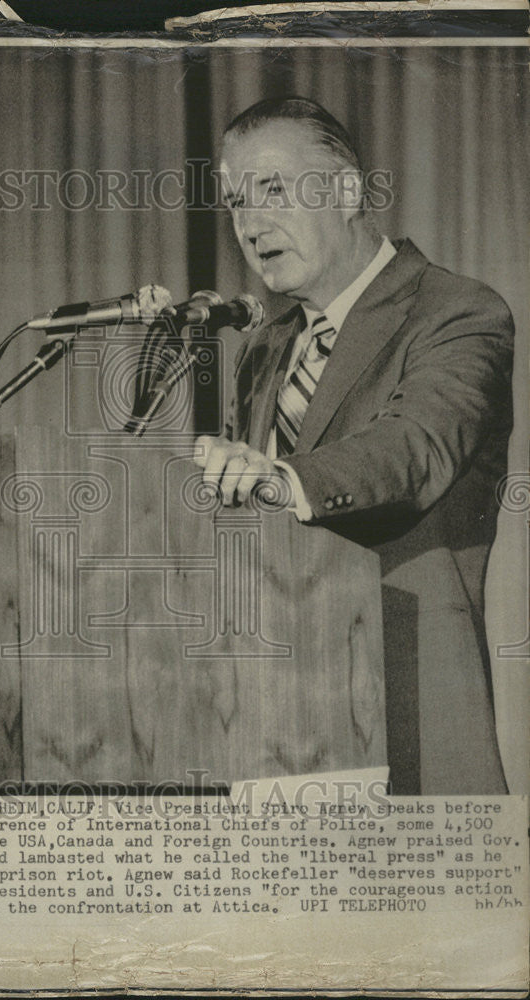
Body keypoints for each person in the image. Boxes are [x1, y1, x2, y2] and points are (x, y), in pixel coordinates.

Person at [194, 97, 514, 795]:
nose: (248, 226)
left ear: (345, 191)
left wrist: (279, 479)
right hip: (274, 733)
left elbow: (411, 449)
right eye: (234, 203)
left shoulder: (456, 311)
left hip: (410, 714)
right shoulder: (263, 350)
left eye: (271, 191)